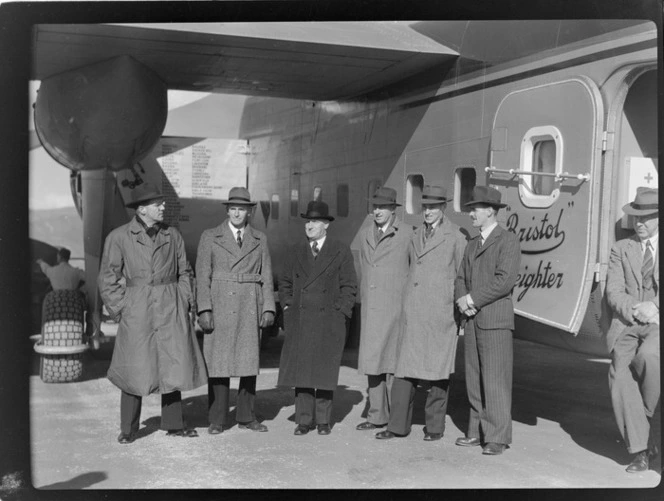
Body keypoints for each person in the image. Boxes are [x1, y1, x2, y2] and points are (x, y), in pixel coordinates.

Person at [98, 183, 207, 444]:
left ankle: (174, 424)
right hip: (137, 308)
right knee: (133, 368)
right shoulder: (119, 237)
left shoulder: (173, 235)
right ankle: (128, 428)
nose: (163, 207)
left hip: (171, 306)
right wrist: (121, 309)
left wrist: (184, 301)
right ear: (142, 209)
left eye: (162, 203)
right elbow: (107, 277)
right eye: (157, 204)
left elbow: (185, 272)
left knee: (173, 365)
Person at [375, 185, 466, 441]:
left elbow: (462, 277)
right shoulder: (415, 235)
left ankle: (435, 428)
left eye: (433, 207)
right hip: (413, 314)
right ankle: (397, 426)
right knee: (404, 372)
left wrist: (459, 314)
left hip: (440, 315)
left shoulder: (456, 237)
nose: (428, 211)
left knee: (437, 374)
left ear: (443, 208)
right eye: (425, 207)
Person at [196, 187, 275, 435]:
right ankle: (217, 419)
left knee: (247, 363)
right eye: (233, 209)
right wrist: (204, 308)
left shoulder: (260, 239)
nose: (237, 213)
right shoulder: (210, 236)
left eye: (242, 209)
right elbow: (201, 275)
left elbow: (267, 276)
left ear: (250, 212)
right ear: (227, 210)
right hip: (220, 303)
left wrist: (269, 307)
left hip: (250, 304)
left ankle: (246, 416)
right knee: (218, 364)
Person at [277, 200, 357, 436]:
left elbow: (349, 285)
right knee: (302, 373)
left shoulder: (340, 250)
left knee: (324, 370)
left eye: (314, 221)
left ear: (326, 225)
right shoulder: (295, 251)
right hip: (300, 319)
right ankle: (303, 420)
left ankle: (323, 421)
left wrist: (341, 312)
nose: (309, 225)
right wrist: (288, 306)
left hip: (328, 320)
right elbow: (285, 283)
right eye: (307, 221)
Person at [454, 185, 521, 455]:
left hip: (494, 321)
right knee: (474, 378)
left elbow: (504, 281)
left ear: (491, 211)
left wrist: (471, 300)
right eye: (471, 209)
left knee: (495, 379)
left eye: (476, 209)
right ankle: (475, 431)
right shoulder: (472, 243)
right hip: (473, 320)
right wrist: (462, 300)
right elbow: (461, 277)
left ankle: (497, 437)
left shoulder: (508, 241)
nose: (471, 213)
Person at [606, 187, 659, 473]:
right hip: (628, 322)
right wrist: (637, 308)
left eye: (647, 217)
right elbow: (613, 291)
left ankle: (654, 425)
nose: (640, 223)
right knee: (619, 370)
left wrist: (655, 307)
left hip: (659, 322)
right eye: (636, 217)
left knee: (650, 358)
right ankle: (640, 449)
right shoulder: (620, 249)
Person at [356, 187, 413, 432]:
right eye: (375, 207)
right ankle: (377, 415)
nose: (377, 211)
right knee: (373, 365)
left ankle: (395, 419)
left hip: (395, 308)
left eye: (383, 207)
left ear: (393, 209)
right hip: (372, 308)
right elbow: (362, 267)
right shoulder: (366, 232)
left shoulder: (408, 233)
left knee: (393, 366)